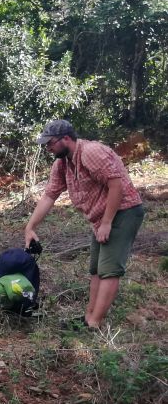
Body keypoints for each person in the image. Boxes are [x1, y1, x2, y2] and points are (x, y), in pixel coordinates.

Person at [24, 119, 144, 329]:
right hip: (101, 217)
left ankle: (94, 324)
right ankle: (88, 318)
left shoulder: (90, 152)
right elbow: (49, 195)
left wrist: (107, 222)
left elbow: (116, 186)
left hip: (123, 211)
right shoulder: (62, 163)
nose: (48, 148)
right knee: (96, 269)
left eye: (51, 143)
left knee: (109, 269)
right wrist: (30, 227)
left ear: (66, 138)